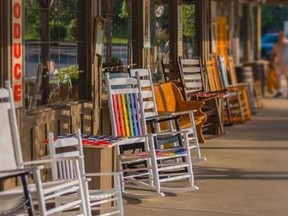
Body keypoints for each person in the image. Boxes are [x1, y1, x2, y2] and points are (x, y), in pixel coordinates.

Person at [270, 31, 288, 98]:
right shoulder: (276, 45)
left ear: (284, 37)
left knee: (287, 78)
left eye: (282, 36)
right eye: (279, 36)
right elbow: (274, 54)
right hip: (279, 64)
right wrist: (272, 62)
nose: (280, 37)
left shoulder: (287, 44)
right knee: (278, 78)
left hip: (287, 64)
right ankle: (280, 91)